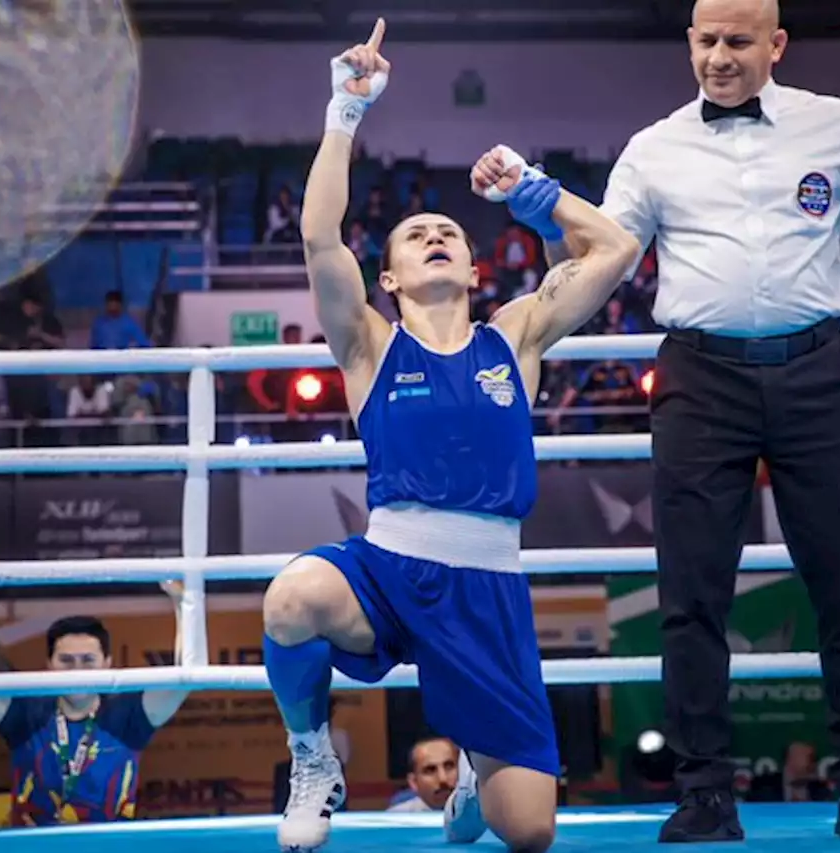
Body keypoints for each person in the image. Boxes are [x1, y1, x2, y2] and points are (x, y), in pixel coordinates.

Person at [476, 0, 840, 842]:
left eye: (737, 41)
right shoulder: (654, 148)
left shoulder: (838, 125)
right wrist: (548, 227)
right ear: (688, 43)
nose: (719, 57)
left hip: (816, 373)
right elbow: (593, 269)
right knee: (689, 593)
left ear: (777, 44)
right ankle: (704, 793)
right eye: (706, 41)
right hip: (698, 376)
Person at [260, 18, 639, 853]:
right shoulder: (368, 342)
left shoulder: (519, 335)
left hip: (488, 591)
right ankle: (311, 756)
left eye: (451, 233)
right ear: (388, 276)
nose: (435, 235)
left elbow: (615, 246)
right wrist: (344, 113)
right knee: (292, 599)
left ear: (474, 268)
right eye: (416, 234)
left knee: (528, 833)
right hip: (388, 571)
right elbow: (320, 235)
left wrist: (533, 190)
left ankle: (474, 778)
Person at [0, 581, 189, 825]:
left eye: (88, 660)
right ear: (49, 664)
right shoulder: (26, 714)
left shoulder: (128, 715)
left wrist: (184, 606)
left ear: (107, 663)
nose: (77, 671)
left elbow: (186, 678)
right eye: (66, 660)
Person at [386, 737, 462, 813]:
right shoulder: (396, 818)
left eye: (449, 767)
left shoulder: (473, 813)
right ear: (414, 782)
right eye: (430, 770)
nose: (443, 779)